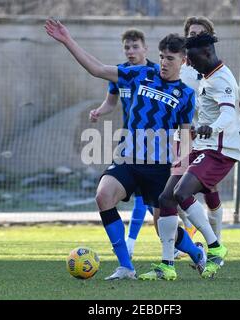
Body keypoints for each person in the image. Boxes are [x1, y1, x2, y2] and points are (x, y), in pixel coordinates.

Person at [45, 19, 203, 280]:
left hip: (159, 167)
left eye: (171, 58)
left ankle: (196, 253)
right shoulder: (138, 73)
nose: (164, 62)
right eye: (162, 57)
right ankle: (126, 266)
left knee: (163, 229)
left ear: (183, 61)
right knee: (103, 196)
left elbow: (185, 135)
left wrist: (181, 172)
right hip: (128, 159)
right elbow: (97, 69)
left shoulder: (186, 94)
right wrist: (67, 40)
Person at [140, 33, 240, 280]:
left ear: (207, 52)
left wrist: (212, 128)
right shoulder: (206, 75)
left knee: (181, 193)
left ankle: (216, 247)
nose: (189, 62)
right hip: (201, 145)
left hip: (219, 150)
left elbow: (228, 115)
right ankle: (167, 266)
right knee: (166, 198)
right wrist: (198, 130)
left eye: (192, 58)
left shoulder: (223, 79)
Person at [89, 29, 157, 258]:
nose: (130, 51)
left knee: (154, 202)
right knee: (140, 196)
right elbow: (111, 102)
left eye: (135, 46)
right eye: (127, 47)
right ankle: (130, 245)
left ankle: (181, 243)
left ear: (145, 48)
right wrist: (100, 111)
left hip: (153, 145)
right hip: (127, 143)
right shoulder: (120, 73)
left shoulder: (156, 72)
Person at [174, 16, 224, 260]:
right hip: (182, 136)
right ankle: (191, 241)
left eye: (199, 33)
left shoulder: (210, 69)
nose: (193, 36)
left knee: (209, 188)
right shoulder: (178, 67)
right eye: (190, 33)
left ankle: (217, 243)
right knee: (176, 187)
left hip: (206, 138)